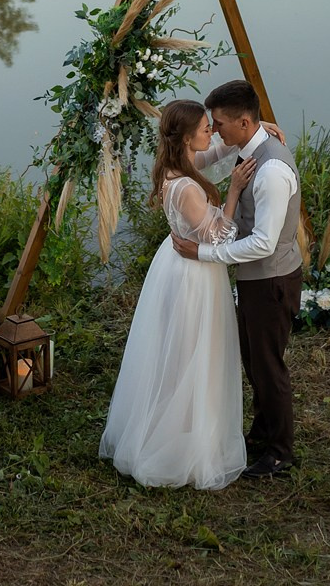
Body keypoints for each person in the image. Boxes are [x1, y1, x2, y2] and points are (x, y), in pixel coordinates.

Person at [99, 100, 256, 490]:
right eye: (206, 127)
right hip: (193, 277)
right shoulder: (186, 187)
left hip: (176, 267)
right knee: (192, 353)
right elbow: (218, 235)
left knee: (183, 353)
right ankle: (181, 441)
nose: (212, 132)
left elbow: (217, 150)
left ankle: (185, 426)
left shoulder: (177, 168)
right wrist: (234, 190)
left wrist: (257, 128)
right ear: (187, 138)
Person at [170, 79, 301, 478]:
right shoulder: (249, 148)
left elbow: (263, 243)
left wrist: (204, 253)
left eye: (220, 124)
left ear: (244, 122)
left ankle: (280, 452)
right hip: (254, 279)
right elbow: (203, 156)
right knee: (253, 359)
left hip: (271, 278)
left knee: (267, 365)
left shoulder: (272, 170)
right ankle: (262, 433)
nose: (215, 132)